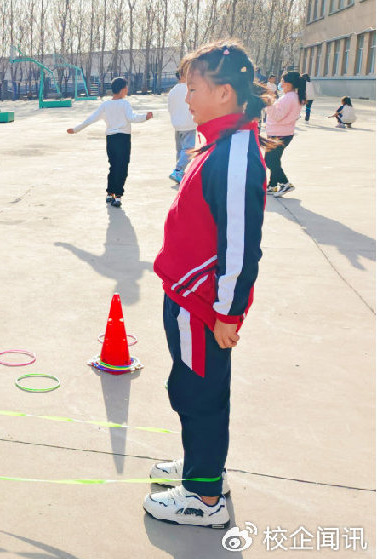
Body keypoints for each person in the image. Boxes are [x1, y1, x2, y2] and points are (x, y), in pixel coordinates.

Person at [145, 40, 270, 529]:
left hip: (201, 305)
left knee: (200, 393)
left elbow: (240, 246)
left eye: (193, 89)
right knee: (192, 386)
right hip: (186, 295)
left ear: (224, 92)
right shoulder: (219, 141)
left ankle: (202, 497)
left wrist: (227, 312)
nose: (186, 98)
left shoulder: (236, 152)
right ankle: (202, 467)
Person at [66, 76, 154, 207]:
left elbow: (90, 119)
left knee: (113, 166)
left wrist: (75, 129)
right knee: (122, 167)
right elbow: (132, 118)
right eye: (126, 87)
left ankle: (109, 193)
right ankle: (118, 196)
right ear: (123, 89)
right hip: (123, 139)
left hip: (111, 140)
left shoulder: (105, 105)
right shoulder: (125, 104)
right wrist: (145, 117)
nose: (127, 89)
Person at [263, 71, 302, 197]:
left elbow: (278, 115)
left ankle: (285, 183)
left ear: (289, 84)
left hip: (279, 133)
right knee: (274, 160)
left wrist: (267, 104)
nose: (281, 83)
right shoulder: (292, 96)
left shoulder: (289, 98)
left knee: (270, 160)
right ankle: (273, 185)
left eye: (283, 81)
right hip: (281, 132)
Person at [168, 70, 198, 183]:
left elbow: (170, 108)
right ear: (183, 75)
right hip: (188, 123)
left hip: (177, 124)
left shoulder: (172, 91)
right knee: (189, 149)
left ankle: (180, 172)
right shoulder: (189, 88)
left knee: (180, 150)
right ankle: (178, 170)